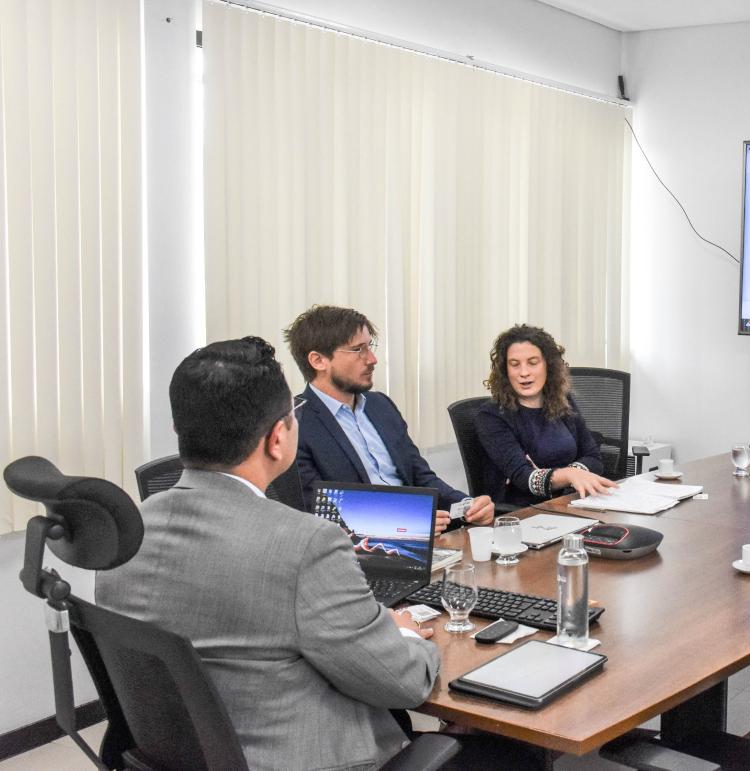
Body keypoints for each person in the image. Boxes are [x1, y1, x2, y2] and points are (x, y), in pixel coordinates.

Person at [96, 337, 442, 769]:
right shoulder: (307, 545)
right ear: (278, 438)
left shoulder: (125, 532)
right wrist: (405, 634)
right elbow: (402, 683)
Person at [285, 305, 493, 532]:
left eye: (370, 347)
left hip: (426, 534)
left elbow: (420, 475)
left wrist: (467, 506)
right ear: (318, 360)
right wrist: (407, 526)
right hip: (370, 547)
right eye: (358, 350)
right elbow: (317, 514)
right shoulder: (294, 424)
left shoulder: (380, 405)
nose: (372, 359)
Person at [474, 324, 619, 507]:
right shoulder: (491, 416)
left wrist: (570, 475)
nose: (524, 372)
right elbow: (523, 478)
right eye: (515, 364)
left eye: (533, 362)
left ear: (548, 365)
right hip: (522, 512)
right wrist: (570, 475)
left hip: (570, 502)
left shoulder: (562, 401)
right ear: (505, 370)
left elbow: (594, 457)